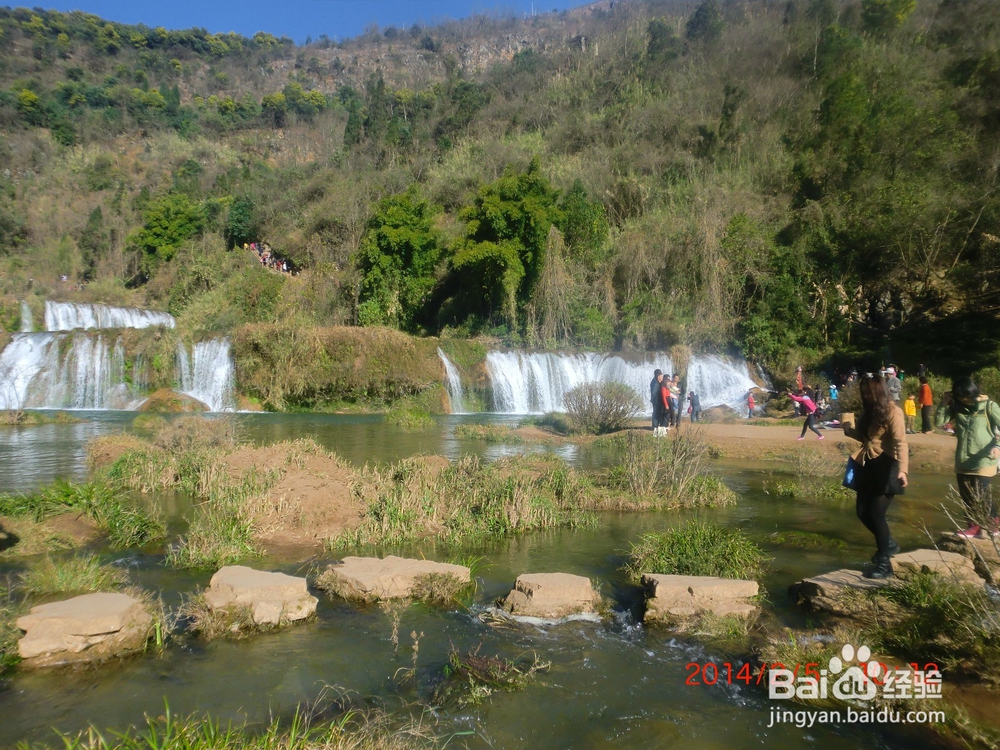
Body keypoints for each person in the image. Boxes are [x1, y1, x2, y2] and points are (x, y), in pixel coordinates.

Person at [843, 373, 909, 579]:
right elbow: (867, 438)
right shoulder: (869, 411)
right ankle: (888, 543)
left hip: (888, 465)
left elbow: (901, 443)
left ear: (879, 391)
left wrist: (903, 469)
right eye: (863, 392)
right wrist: (848, 429)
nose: (866, 396)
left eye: (869, 392)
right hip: (868, 463)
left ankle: (884, 562)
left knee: (876, 514)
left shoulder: (893, 412)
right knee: (862, 511)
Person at [936, 377, 1000, 538]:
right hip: (963, 458)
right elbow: (939, 422)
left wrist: (998, 447)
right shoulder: (957, 408)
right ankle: (974, 526)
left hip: (984, 458)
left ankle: (993, 522)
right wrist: (944, 402)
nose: (968, 400)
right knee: (966, 495)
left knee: (982, 494)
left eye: (969, 396)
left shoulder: (989, 406)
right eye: (963, 397)